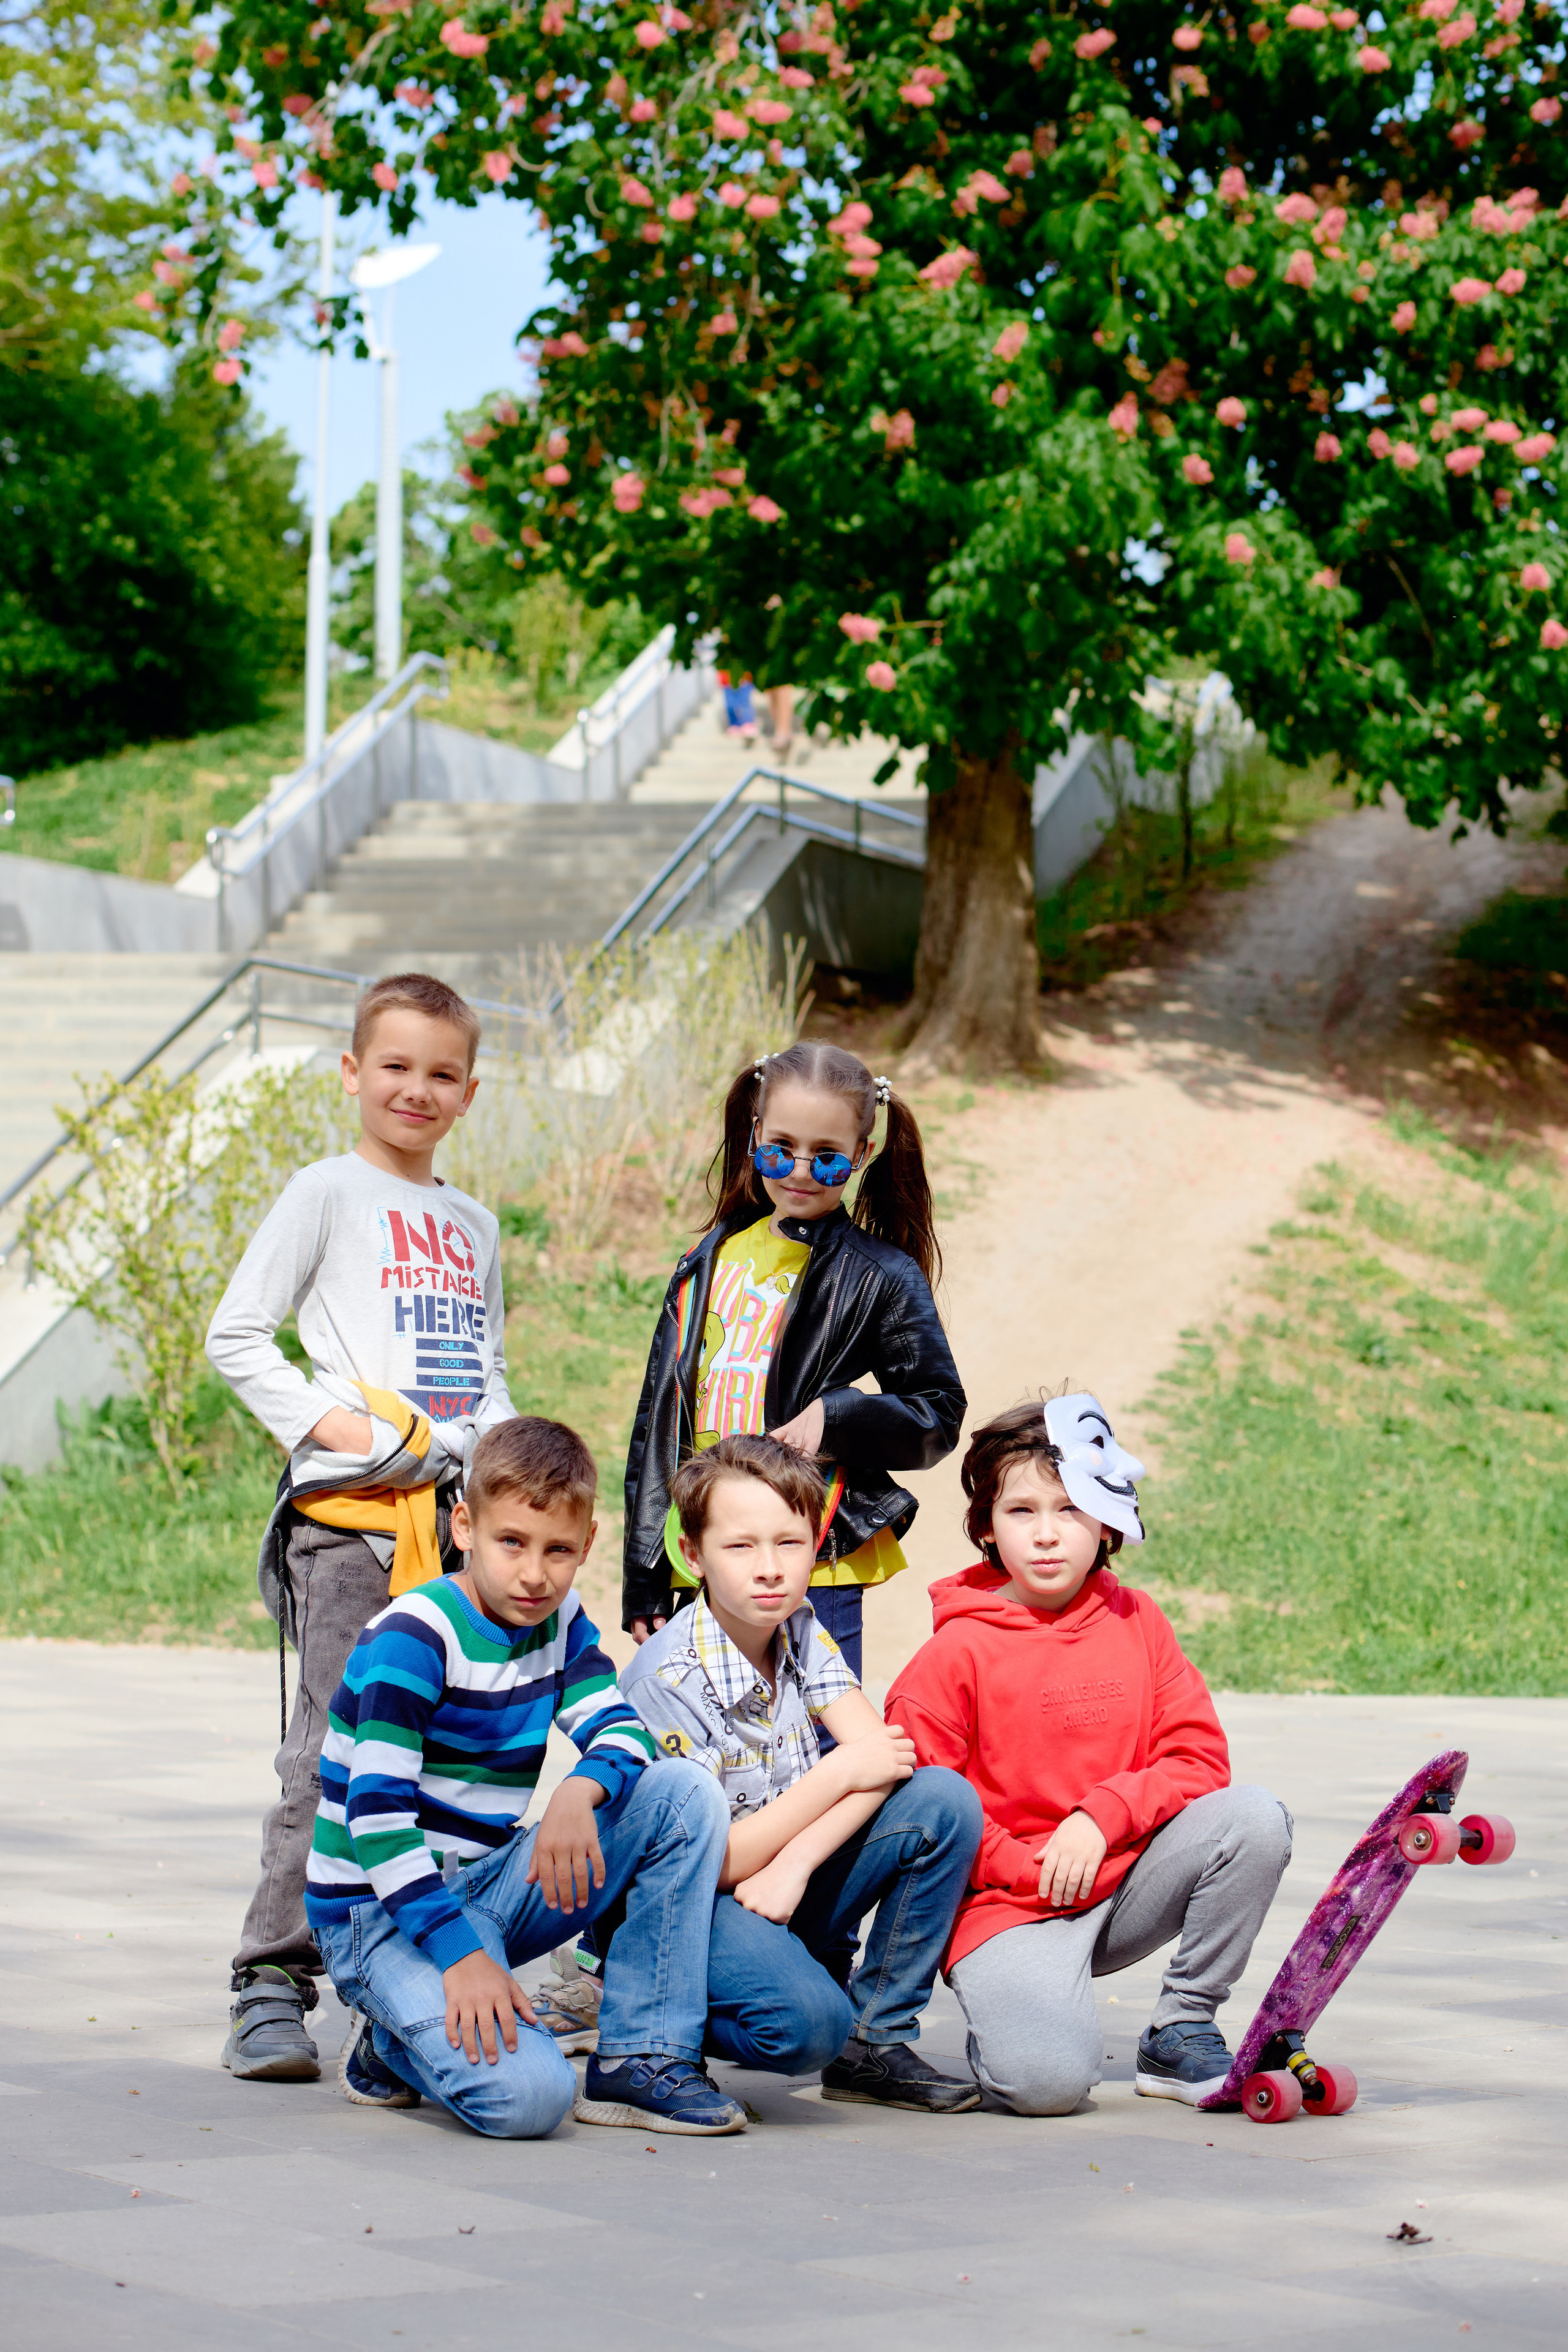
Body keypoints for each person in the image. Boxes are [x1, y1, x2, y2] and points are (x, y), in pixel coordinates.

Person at [206, 971, 517, 2085]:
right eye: (394, 1066)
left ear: (469, 1092)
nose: (416, 1090)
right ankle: (272, 1979)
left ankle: (392, 1978)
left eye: (442, 1074)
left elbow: (484, 1374)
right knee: (334, 1750)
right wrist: (338, 1423)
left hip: (450, 1522)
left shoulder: (473, 1224)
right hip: (347, 1524)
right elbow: (238, 1336)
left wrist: (507, 1460)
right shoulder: (324, 1194)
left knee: (436, 1752)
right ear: (352, 1072)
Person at [305, 1414, 743, 2137]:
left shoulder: (558, 1619)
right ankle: (390, 2034)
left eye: (558, 1550)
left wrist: (581, 1788)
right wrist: (463, 1958)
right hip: (377, 1915)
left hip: (486, 1882)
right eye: (511, 1542)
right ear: (465, 1526)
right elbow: (375, 1822)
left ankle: (642, 2057)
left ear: (588, 1545)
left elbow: (621, 1728)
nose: (535, 1574)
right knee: (530, 2099)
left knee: (680, 1792)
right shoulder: (415, 1638)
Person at [886, 1395, 1294, 2115]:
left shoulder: (1138, 1621)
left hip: (1122, 1877)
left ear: (1106, 1520)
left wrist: (1101, 1817)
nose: (1047, 1536)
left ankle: (1182, 2026)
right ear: (985, 1525)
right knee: (1046, 2089)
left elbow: (1198, 1759)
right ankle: (1020, 2014)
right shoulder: (952, 1654)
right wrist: (1025, 1866)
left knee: (1254, 1819)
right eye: (1021, 1512)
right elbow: (925, 1805)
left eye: (1069, 1510)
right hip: (1008, 1906)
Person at [621, 1433, 983, 2112]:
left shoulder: (799, 1628)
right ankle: (641, 2010)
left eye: (789, 1543)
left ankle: (871, 2042)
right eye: (740, 1546)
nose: (769, 1569)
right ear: (692, 1554)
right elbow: (717, 1859)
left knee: (942, 1801)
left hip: (779, 1881)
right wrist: (837, 1773)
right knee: (807, 2027)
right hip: (692, 1906)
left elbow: (885, 1759)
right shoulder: (665, 1680)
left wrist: (796, 1862)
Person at [621, 1040, 965, 1683]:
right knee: (715, 1742)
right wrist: (643, 1573)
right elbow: (658, 1420)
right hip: (711, 1551)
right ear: (754, 1133)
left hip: (814, 1555)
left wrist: (836, 1418)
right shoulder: (706, 1260)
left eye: (828, 1158)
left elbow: (938, 1413)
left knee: (823, 1739)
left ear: (862, 1155)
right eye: (781, 1147)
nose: (801, 1171)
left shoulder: (880, 1275)